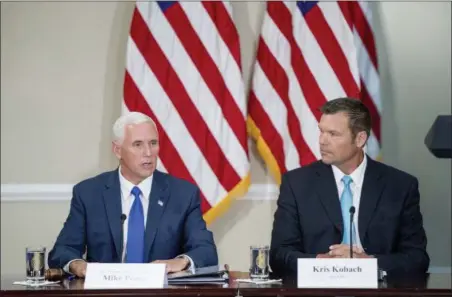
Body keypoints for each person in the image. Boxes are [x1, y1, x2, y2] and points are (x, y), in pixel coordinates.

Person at [270, 97, 429, 278]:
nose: (322, 141)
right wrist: (321, 262)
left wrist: (369, 264)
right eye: (321, 132)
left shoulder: (399, 186)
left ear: (360, 138)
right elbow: (279, 255)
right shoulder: (297, 183)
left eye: (333, 134)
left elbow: (417, 258)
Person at [48, 112, 218, 277]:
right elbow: (63, 250)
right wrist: (79, 266)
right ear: (117, 150)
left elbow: (205, 250)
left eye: (153, 143)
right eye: (138, 144)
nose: (148, 152)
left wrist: (181, 261)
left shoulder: (183, 194)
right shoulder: (88, 193)